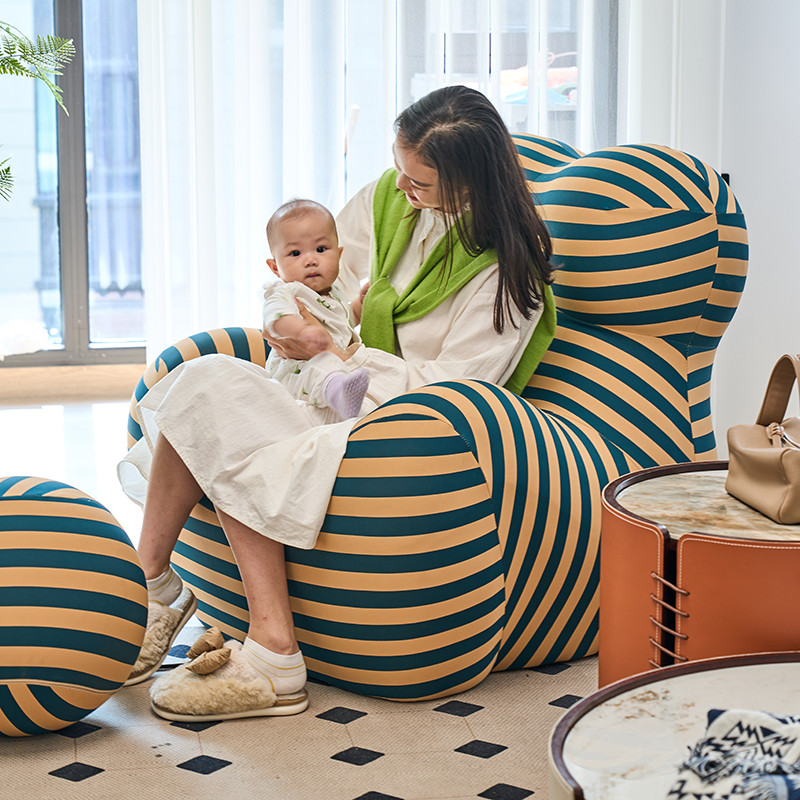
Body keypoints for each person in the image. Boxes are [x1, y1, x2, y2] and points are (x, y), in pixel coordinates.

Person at [118, 85, 557, 722]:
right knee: (207, 379)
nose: (402, 192)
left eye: (420, 184)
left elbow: (454, 391)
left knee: (236, 425)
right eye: (401, 172)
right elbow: (316, 279)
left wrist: (345, 357)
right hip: (319, 393)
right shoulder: (386, 200)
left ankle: (272, 653)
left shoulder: (506, 280)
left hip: (402, 429)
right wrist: (293, 324)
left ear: (471, 184)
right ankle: (155, 585)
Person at [262, 198, 370, 421]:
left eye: (321, 249)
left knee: (330, 364)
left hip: (329, 368)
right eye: (295, 253)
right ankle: (340, 395)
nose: (310, 260)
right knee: (323, 362)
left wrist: (360, 304)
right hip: (295, 370)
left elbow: (344, 321)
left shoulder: (334, 294)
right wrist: (301, 331)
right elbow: (275, 319)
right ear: (275, 267)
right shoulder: (287, 291)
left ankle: (341, 395)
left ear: (339, 256)